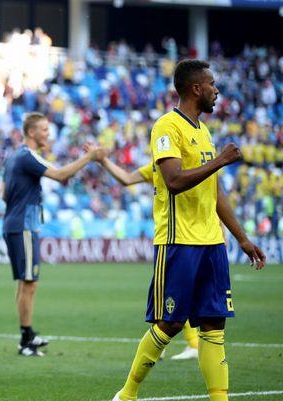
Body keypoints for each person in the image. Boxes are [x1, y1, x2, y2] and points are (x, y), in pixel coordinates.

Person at [112, 59, 266, 401]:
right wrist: (220, 161)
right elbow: (174, 180)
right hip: (178, 242)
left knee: (214, 326)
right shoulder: (166, 127)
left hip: (213, 243)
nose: (217, 91)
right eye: (212, 85)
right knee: (168, 324)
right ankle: (127, 394)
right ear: (196, 88)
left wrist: (242, 238)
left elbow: (214, 192)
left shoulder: (203, 130)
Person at [1, 113, 101, 356]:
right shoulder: (28, 155)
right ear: (32, 132)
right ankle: (26, 339)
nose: (48, 133)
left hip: (16, 223)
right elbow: (60, 175)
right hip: (24, 225)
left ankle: (26, 335)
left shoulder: (14, 156)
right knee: (29, 283)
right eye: (44, 129)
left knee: (25, 283)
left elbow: (5, 194)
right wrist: (89, 157)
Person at [96, 156, 201, 361]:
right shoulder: (158, 165)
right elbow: (127, 178)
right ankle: (180, 343)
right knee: (167, 292)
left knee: (173, 293)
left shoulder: (184, 165)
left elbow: (209, 195)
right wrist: (104, 161)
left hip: (181, 238)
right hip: (172, 237)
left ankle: (187, 343)